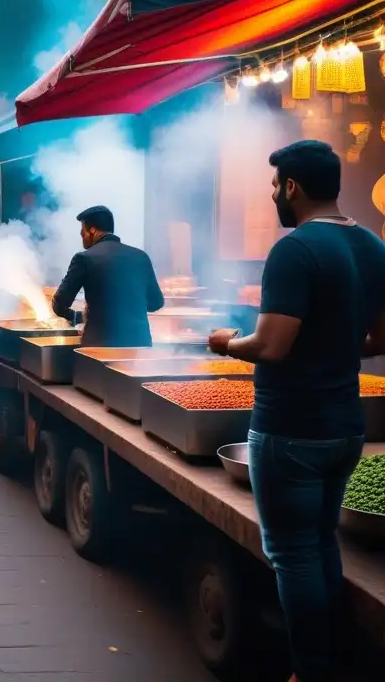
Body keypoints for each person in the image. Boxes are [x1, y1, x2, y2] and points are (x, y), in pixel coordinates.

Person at [208, 140, 385, 682]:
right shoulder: (374, 246)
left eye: (274, 185)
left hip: (291, 429)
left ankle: (310, 670)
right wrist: (328, 347)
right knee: (321, 540)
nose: (271, 195)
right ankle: (336, 655)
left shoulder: (294, 249)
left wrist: (227, 343)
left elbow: (273, 344)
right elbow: (379, 337)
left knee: (292, 553)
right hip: (346, 427)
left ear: (292, 187)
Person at [51, 205, 163, 347]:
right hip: (140, 348)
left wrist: (77, 317)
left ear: (92, 230)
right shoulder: (141, 257)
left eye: (82, 232)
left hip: (100, 348)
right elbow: (156, 303)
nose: (82, 237)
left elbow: (59, 304)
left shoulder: (84, 258)